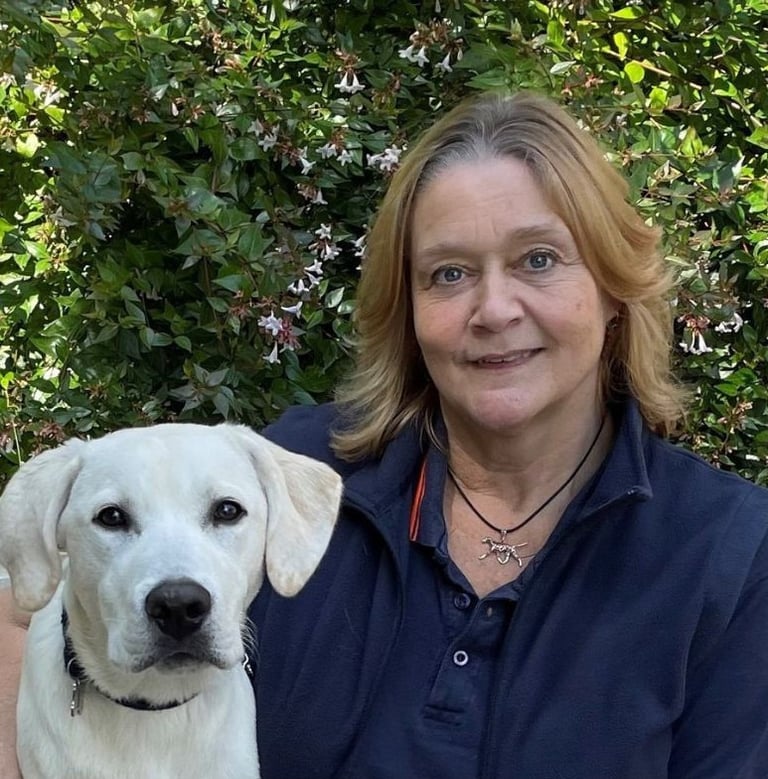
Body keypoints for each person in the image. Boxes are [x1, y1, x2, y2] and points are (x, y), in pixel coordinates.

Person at [2, 90, 768, 778]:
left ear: (612, 287)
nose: (494, 309)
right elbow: (39, 598)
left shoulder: (728, 553)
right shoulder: (297, 467)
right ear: (407, 308)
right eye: (448, 273)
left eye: (539, 259)